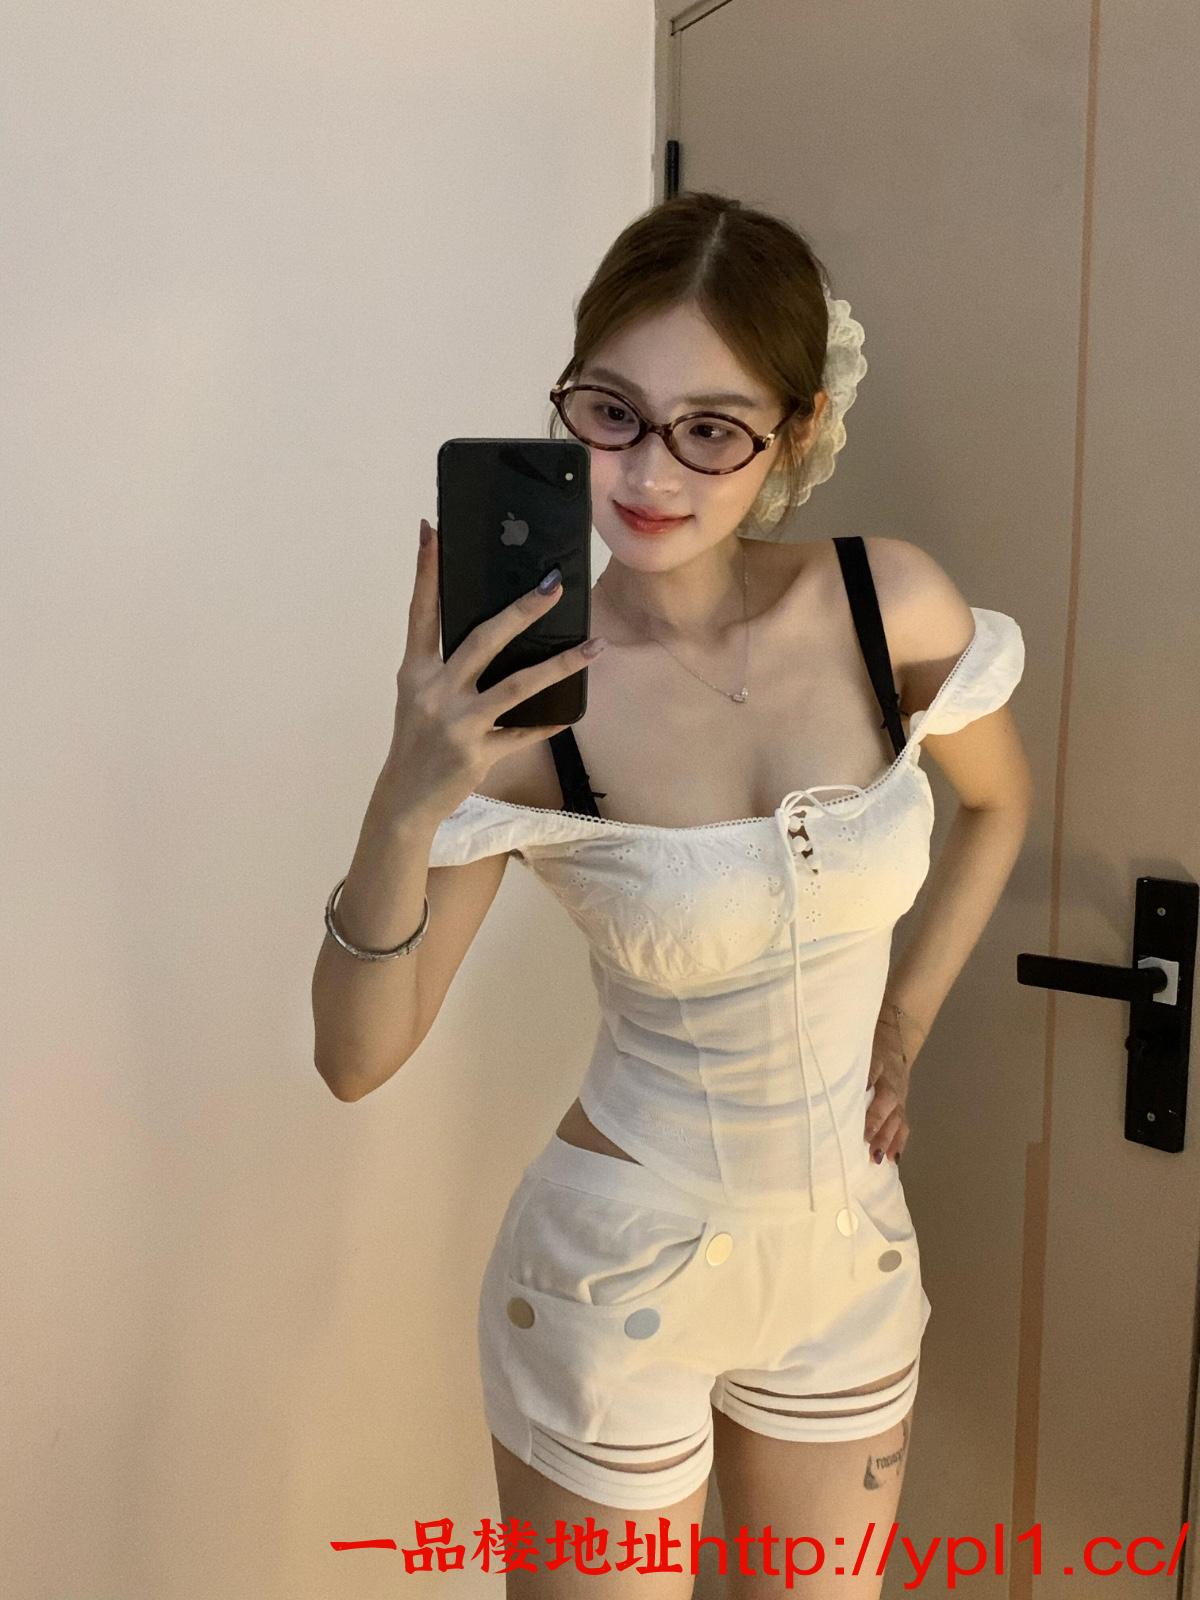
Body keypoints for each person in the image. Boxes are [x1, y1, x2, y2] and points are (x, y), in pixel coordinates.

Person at [311, 191, 1032, 1597]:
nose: (648, 472)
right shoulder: (526, 707)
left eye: (712, 428)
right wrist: (404, 799)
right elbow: (356, 1056)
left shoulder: (890, 607)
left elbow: (999, 805)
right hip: (616, 1275)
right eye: (611, 413)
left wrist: (903, 1024)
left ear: (797, 431)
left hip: (850, 1265)